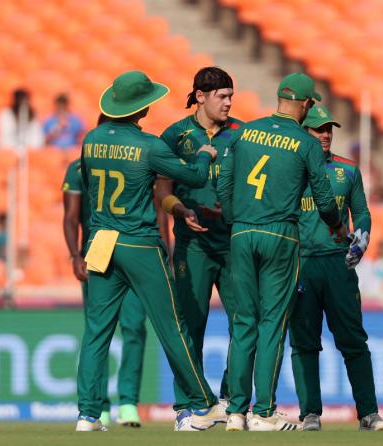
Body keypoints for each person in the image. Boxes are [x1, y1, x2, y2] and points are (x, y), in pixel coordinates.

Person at [75, 70, 225, 432]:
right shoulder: (149, 145)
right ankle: (201, 404)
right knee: (172, 325)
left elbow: (86, 185)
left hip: (100, 241)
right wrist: (204, 154)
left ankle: (88, 415)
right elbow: (193, 178)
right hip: (139, 242)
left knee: (97, 332)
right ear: (142, 107)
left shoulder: (91, 139)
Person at [217, 73, 346, 432]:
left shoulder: (244, 132)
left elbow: (223, 182)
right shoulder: (304, 143)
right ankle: (263, 411)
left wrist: (234, 219)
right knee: (272, 324)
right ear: (306, 105)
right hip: (281, 235)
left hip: (242, 232)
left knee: (243, 324)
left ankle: (235, 412)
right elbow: (323, 196)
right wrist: (335, 223)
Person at [288, 104, 383, 432]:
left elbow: (362, 212)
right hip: (301, 263)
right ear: (305, 132)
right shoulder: (289, 171)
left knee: (353, 339)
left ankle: (369, 413)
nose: (326, 134)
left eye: (329, 128)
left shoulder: (347, 170)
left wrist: (362, 237)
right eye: (319, 129)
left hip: (338, 264)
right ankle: (310, 414)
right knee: (304, 341)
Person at [156, 67, 243, 431]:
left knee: (245, 323)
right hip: (192, 244)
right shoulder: (175, 135)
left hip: (233, 241)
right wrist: (180, 209)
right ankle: (187, 407)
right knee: (190, 326)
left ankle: (231, 402)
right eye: (222, 96)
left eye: (230, 97)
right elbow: (162, 190)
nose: (228, 103)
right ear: (200, 96)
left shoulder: (241, 134)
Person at [62, 118, 147, 427]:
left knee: (135, 327)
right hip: (98, 249)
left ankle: (128, 403)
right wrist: (75, 255)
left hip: (135, 249)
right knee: (99, 331)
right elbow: (71, 217)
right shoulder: (79, 168)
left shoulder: (137, 158)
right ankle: (97, 406)